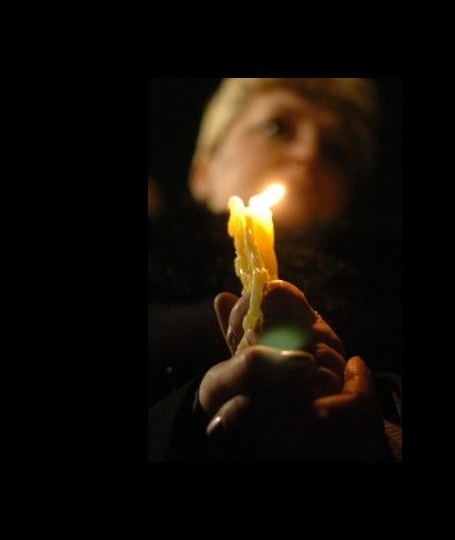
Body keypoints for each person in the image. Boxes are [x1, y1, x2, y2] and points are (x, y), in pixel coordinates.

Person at [148, 78, 401, 461]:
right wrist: (184, 420)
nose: (309, 153)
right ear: (204, 171)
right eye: (276, 127)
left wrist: (385, 437)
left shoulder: (388, 307)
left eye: (335, 151)